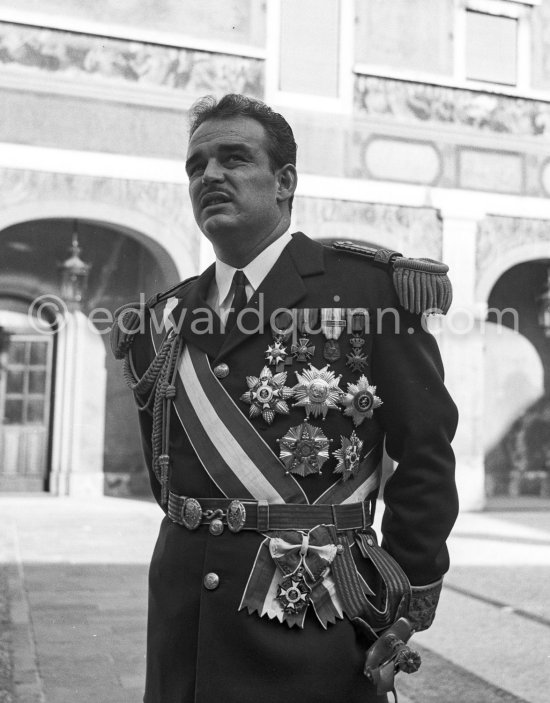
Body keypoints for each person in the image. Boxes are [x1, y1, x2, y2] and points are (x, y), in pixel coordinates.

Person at [111, 93, 458, 703]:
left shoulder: (369, 292)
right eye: (196, 166)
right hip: (184, 617)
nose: (210, 176)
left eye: (234, 159)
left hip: (314, 616)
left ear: (285, 181)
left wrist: (401, 596)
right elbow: (166, 476)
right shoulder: (159, 322)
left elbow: (426, 452)